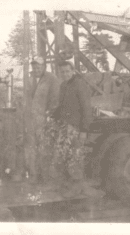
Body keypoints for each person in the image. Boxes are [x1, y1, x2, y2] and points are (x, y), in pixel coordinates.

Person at [49, 60, 93, 197]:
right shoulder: (63, 85)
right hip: (64, 125)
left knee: (75, 157)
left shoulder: (80, 85)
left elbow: (87, 109)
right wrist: (53, 116)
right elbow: (62, 106)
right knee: (62, 155)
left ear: (73, 71)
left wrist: (84, 130)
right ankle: (66, 185)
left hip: (75, 126)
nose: (65, 74)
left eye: (68, 71)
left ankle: (76, 188)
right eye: (63, 72)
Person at [19, 56, 60, 184]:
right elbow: (26, 97)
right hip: (30, 119)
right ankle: (33, 175)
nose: (36, 69)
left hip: (44, 119)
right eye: (34, 66)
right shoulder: (29, 78)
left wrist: (49, 115)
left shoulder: (51, 79)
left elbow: (55, 99)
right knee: (30, 147)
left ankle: (46, 177)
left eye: (39, 66)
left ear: (44, 67)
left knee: (45, 147)